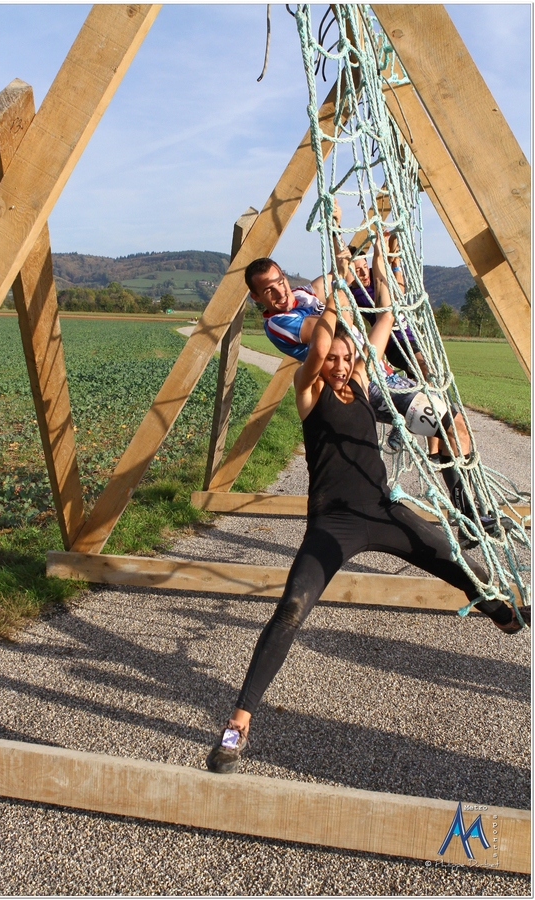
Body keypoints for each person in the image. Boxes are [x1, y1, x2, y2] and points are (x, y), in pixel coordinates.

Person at [207, 242, 528, 776]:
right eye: (331, 360)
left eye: (345, 359)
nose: (338, 366)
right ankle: (239, 722)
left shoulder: (360, 377)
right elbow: (319, 345)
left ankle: (502, 612)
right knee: (291, 608)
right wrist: (335, 287)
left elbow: (382, 320)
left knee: (454, 560)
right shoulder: (308, 390)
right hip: (331, 525)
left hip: (383, 511)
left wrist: (376, 266)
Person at [245, 252, 508, 546]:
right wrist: (340, 290)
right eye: (269, 290)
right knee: (452, 427)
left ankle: (470, 515)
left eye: (280, 281)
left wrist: (352, 253)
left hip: (384, 374)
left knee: (456, 427)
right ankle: (471, 520)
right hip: (362, 384)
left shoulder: (303, 293)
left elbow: (340, 272)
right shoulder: (279, 323)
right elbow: (331, 330)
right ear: (257, 297)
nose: (280, 291)